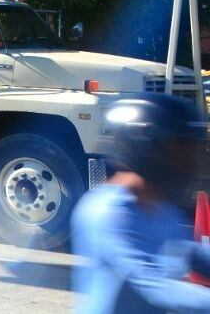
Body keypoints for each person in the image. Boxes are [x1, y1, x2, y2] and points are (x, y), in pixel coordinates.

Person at [72, 94, 210, 313]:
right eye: (182, 149)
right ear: (148, 146)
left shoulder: (162, 208)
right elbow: (154, 285)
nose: (190, 162)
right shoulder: (106, 211)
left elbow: (194, 254)